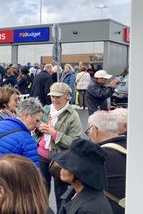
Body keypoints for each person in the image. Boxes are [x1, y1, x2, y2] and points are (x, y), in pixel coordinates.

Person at [37, 82, 82, 211]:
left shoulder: (73, 115)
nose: (54, 100)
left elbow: (75, 142)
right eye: (52, 96)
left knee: (61, 194)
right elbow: (36, 131)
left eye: (58, 97)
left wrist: (54, 134)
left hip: (61, 160)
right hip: (41, 156)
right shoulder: (45, 109)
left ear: (67, 97)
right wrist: (38, 129)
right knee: (41, 192)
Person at [52, 139, 113, 214]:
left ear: (81, 172)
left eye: (67, 166)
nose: (62, 168)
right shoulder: (75, 191)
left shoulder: (88, 209)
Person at [86, 111, 126, 214]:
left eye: (88, 131)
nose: (89, 135)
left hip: (107, 209)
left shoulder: (97, 156)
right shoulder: (132, 147)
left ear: (94, 130)